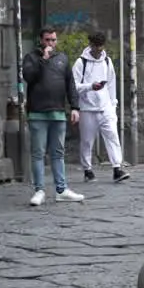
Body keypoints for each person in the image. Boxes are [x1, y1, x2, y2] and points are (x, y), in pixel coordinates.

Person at [22, 27, 84, 205]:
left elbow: (70, 84)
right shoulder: (31, 58)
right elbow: (29, 77)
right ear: (41, 40)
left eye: (53, 40)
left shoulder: (63, 59)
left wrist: (74, 107)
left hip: (58, 112)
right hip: (37, 113)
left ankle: (61, 189)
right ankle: (39, 190)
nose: (51, 43)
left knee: (58, 152)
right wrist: (43, 59)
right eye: (47, 40)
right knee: (38, 153)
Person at [73, 31, 130, 183]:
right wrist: (90, 87)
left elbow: (111, 83)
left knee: (112, 136)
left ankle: (117, 168)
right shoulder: (81, 63)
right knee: (87, 140)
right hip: (87, 108)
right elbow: (74, 86)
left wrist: (113, 104)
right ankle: (87, 170)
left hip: (106, 107)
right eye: (96, 47)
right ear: (90, 45)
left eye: (101, 47)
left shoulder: (107, 61)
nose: (99, 50)